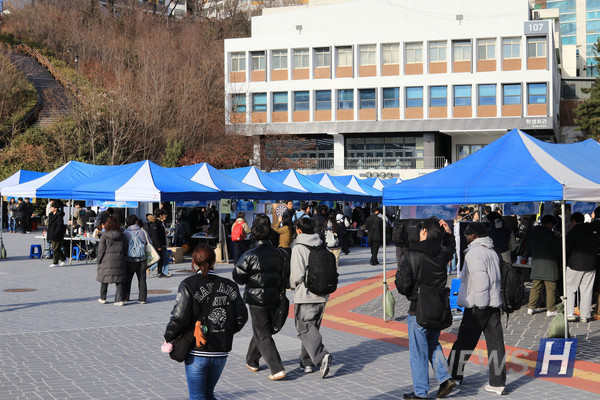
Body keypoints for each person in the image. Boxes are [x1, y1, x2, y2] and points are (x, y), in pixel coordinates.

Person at [163, 245, 247, 400]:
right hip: (221, 351)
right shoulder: (230, 285)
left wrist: (168, 336)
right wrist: (224, 330)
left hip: (198, 350)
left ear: (193, 262)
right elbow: (242, 316)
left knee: (197, 397)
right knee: (208, 395)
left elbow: (179, 317)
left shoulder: (188, 284)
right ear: (214, 261)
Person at [395, 218, 456, 400]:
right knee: (431, 344)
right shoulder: (442, 253)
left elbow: (403, 286)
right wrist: (448, 233)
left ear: (424, 232)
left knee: (418, 352)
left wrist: (411, 290)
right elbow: (451, 249)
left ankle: (420, 393)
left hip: (418, 309)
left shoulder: (412, 255)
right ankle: (445, 378)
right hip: (438, 306)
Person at [449, 222, 506, 396]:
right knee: (496, 344)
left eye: (467, 234)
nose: (466, 237)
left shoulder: (474, 253)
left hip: (478, 304)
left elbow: (481, 281)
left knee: (464, 342)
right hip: (494, 304)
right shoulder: (492, 251)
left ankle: (454, 375)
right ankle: (498, 383)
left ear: (474, 235)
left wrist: (480, 305)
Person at [233, 223, 289, 381]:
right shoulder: (281, 253)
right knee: (262, 329)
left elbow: (238, 277)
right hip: (275, 296)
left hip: (256, 299)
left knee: (262, 332)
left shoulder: (249, 255)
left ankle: (277, 368)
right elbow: (287, 274)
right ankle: (252, 360)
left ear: (255, 237)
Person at [290, 217, 333, 378]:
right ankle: (306, 362)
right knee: (311, 329)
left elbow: (296, 275)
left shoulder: (298, 247)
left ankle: (322, 356)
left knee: (304, 328)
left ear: (299, 230)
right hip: (322, 295)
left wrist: (292, 285)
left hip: (305, 294)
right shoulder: (321, 244)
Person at [565, 212, 599, 323]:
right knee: (587, 290)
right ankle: (585, 315)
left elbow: (567, 248)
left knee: (570, 288)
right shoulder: (593, 231)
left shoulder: (573, 233)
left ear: (573, 221)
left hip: (575, 264)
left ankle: (570, 313)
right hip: (591, 264)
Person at [526, 214, 561, 317]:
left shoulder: (532, 234)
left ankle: (530, 308)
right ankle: (550, 309)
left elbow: (528, 250)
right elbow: (558, 251)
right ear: (550, 224)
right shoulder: (551, 236)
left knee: (535, 287)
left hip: (536, 264)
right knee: (550, 288)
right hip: (550, 265)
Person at [96, 216, 129, 306]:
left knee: (104, 279)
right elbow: (126, 248)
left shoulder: (104, 236)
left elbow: (101, 250)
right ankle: (119, 300)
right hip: (120, 260)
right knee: (119, 281)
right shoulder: (122, 235)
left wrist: (99, 260)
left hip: (106, 261)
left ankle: (103, 298)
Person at [123, 215, 151, 304]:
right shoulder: (143, 231)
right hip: (141, 259)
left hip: (129, 259)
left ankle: (126, 297)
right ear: (136, 222)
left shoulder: (125, 233)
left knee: (128, 279)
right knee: (142, 279)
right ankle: (142, 299)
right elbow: (149, 243)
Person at [147, 209, 170, 278]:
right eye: (164, 215)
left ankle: (160, 272)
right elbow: (155, 236)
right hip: (157, 245)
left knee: (160, 259)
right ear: (160, 215)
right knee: (158, 259)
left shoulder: (160, 223)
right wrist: (159, 245)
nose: (165, 216)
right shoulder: (155, 224)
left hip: (162, 244)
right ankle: (158, 272)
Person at [47, 201, 67, 268]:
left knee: (55, 249)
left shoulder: (59, 215)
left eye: (52, 207)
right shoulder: (51, 215)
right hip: (51, 233)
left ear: (55, 208)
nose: (51, 208)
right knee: (56, 248)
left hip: (57, 234)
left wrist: (55, 232)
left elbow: (59, 225)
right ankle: (64, 258)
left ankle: (55, 262)